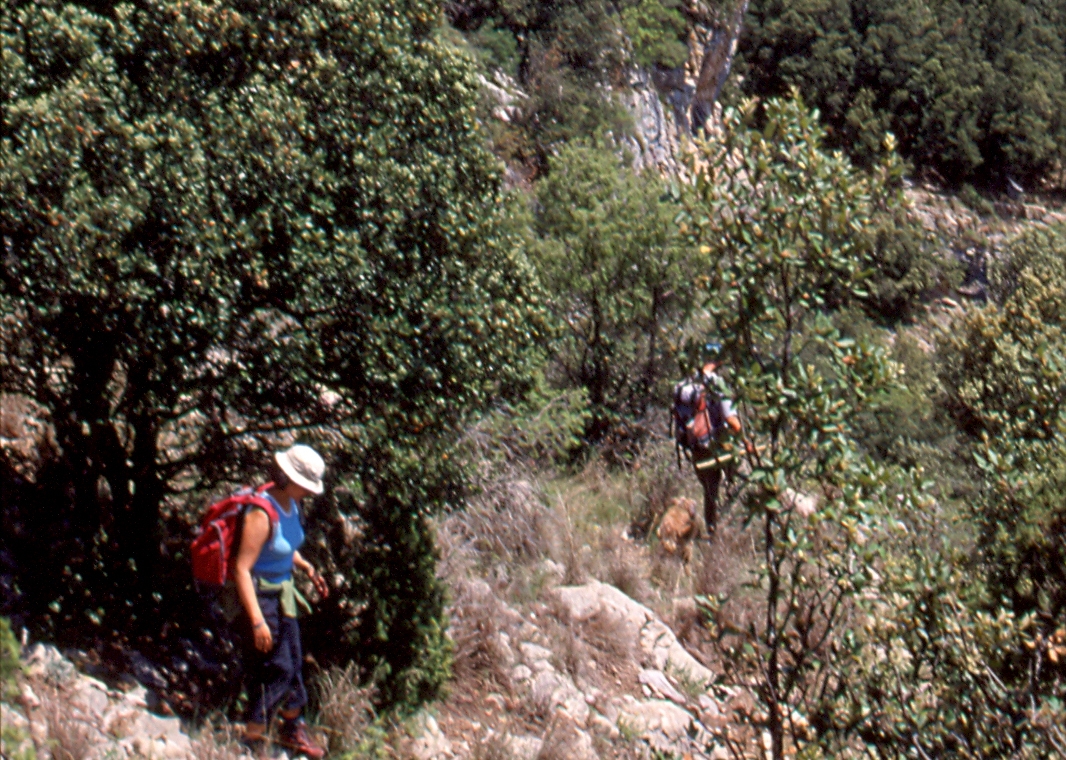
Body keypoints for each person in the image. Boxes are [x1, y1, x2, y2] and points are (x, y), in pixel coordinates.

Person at [235, 444, 330, 759]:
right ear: (290, 478)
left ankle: (292, 727)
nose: (310, 491)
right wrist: (257, 620)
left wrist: (304, 566)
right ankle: (253, 737)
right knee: (278, 668)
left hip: (284, 592)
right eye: (306, 484)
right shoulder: (261, 512)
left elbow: (285, 545)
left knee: (293, 661)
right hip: (262, 597)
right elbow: (242, 568)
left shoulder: (292, 505)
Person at [685, 354, 754, 537]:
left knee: (709, 491)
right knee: (743, 479)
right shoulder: (718, 384)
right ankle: (731, 531)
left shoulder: (690, 382)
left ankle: (711, 532)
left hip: (696, 446)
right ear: (719, 363)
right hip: (716, 446)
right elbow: (731, 420)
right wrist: (746, 441)